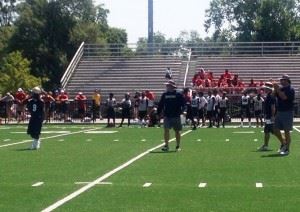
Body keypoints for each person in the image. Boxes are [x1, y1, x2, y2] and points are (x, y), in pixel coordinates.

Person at [157, 80, 185, 152]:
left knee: (177, 131)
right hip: (167, 115)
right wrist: (158, 114)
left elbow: (183, 104)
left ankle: (178, 146)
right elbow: (160, 105)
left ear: (172, 86)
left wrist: (183, 111)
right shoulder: (165, 94)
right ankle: (166, 145)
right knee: (166, 130)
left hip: (176, 115)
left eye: (168, 85)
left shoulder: (178, 94)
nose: (167, 86)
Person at [273, 75, 295, 155]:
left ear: (287, 81)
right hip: (279, 112)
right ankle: (283, 143)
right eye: (281, 80)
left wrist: (277, 89)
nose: (281, 81)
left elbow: (284, 97)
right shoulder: (281, 89)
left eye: (283, 80)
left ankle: (287, 149)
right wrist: (275, 88)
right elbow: (273, 96)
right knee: (275, 129)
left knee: (286, 131)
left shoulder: (291, 89)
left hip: (287, 112)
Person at [257, 82, 276, 151]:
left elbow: (273, 107)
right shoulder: (269, 95)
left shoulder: (271, 96)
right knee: (267, 131)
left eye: (265, 88)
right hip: (268, 116)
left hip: (270, 116)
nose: (264, 89)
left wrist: (273, 116)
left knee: (275, 132)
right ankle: (265, 145)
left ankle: (284, 143)